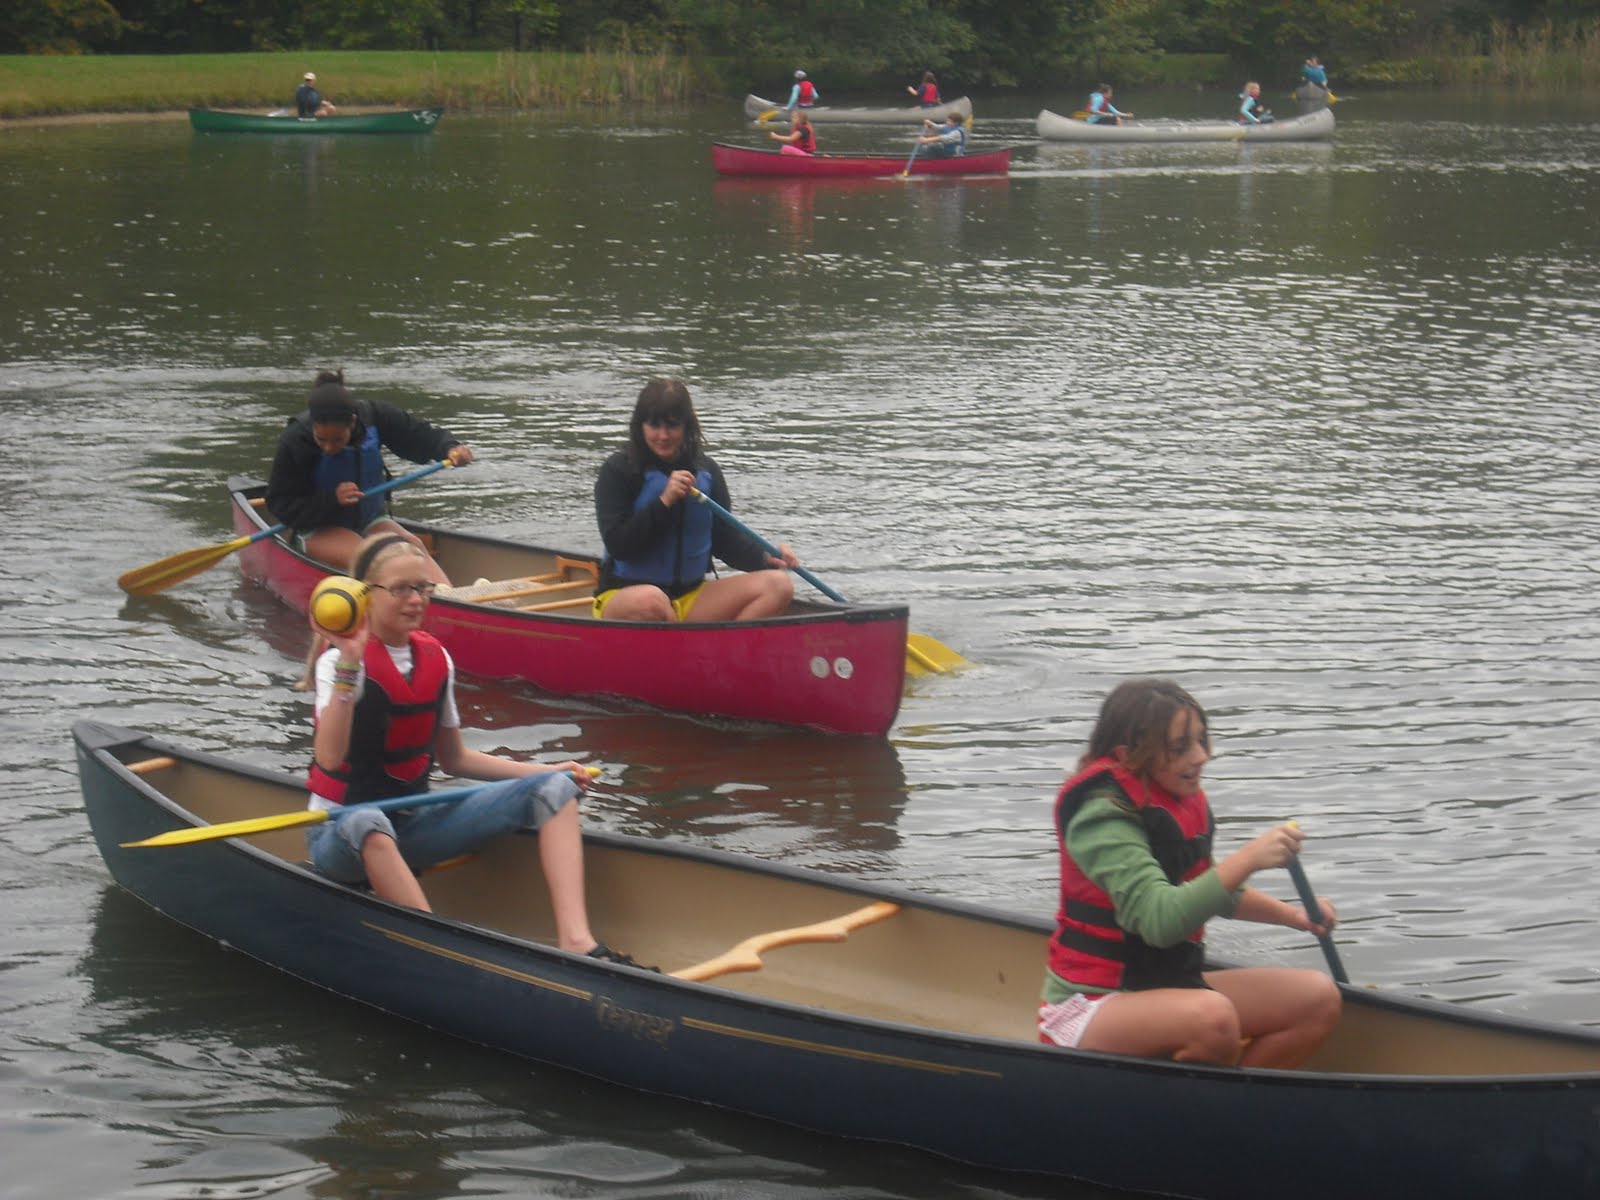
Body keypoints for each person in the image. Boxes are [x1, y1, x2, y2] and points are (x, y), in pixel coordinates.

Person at [305, 532, 653, 968]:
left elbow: (457, 759)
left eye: (423, 587)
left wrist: (549, 771)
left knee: (557, 789)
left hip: (411, 826)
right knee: (368, 820)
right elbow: (330, 759)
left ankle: (579, 943)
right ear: (365, 595)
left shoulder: (437, 658)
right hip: (340, 835)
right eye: (401, 590)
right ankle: (438, 950)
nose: (416, 599)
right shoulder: (337, 664)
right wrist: (350, 663)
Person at [1038, 679, 1342, 1068]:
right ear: (1129, 754)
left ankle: (1229, 1112)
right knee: (1213, 1020)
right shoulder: (1101, 816)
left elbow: (1211, 890)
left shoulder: (1174, 796)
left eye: (1202, 740)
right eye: (1180, 747)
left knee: (1317, 998)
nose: (1200, 757)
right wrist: (1250, 856)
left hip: (1168, 988)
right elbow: (1161, 921)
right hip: (1091, 1004)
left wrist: (1296, 916)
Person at [593, 378, 799, 623]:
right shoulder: (618, 470)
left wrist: (769, 558)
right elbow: (619, 546)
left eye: (672, 426)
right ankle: (692, 653)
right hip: (626, 597)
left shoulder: (706, 471)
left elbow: (726, 542)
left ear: (686, 426)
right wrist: (664, 502)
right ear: (640, 426)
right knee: (651, 600)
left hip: (691, 597)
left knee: (779, 585)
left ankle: (719, 655)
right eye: (654, 425)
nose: (662, 435)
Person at [266, 369, 473, 584]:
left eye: (337, 439)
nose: (328, 448)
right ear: (313, 426)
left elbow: (420, 435)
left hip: (369, 519)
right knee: (374, 558)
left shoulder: (376, 416)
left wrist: (450, 448)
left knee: (413, 548)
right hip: (317, 527)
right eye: (321, 439)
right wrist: (331, 500)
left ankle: (450, 598)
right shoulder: (295, 440)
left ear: (352, 423)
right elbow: (279, 503)